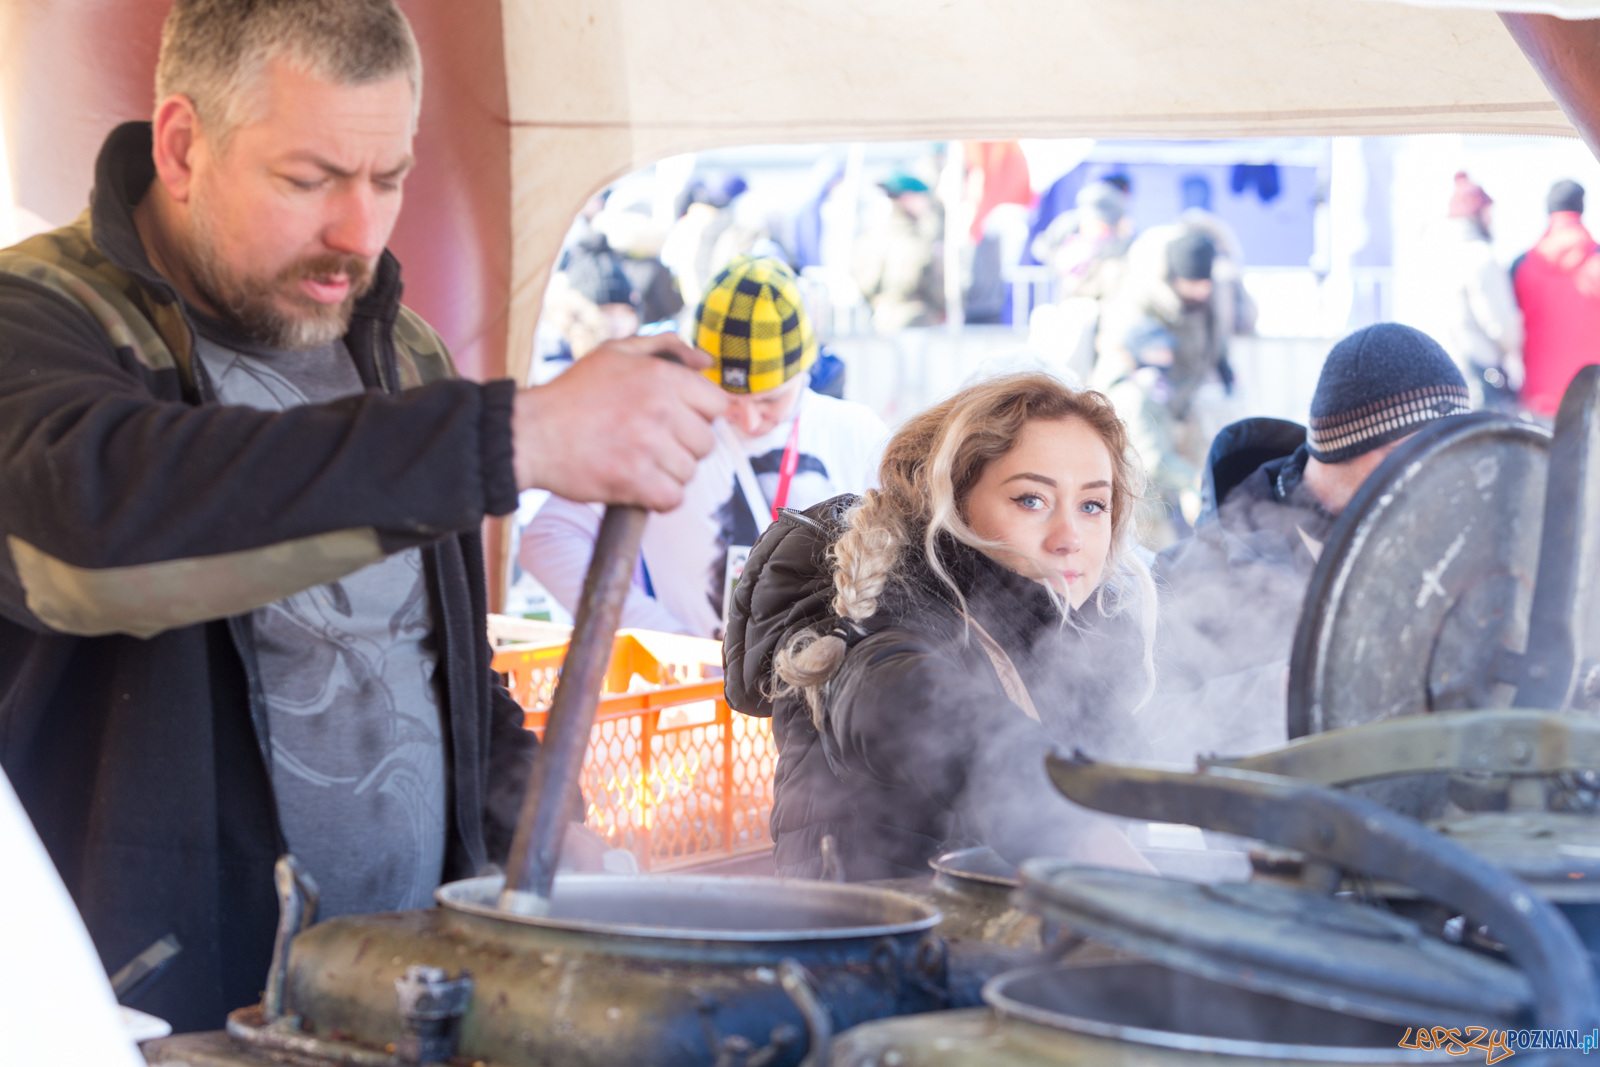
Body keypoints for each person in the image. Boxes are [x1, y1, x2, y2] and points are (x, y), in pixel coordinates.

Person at [0, 0, 726, 1032]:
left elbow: (441, 672)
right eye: (309, 179)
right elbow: (91, 531)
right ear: (180, 145)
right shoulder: (39, 319)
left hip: (411, 993)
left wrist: (558, 843)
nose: (358, 231)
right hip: (151, 1012)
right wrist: (510, 439)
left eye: (389, 179)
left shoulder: (401, 352)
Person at [723, 374, 1157, 881]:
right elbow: (902, 696)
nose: (1070, 538)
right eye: (1031, 500)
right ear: (950, 501)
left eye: (1092, 505)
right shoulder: (874, 609)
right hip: (876, 949)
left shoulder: (1073, 629)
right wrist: (1078, 836)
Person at [521, 256, 887, 638]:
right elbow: (548, 539)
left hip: (828, 683)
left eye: (769, 401)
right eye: (727, 397)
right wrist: (661, 636)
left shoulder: (856, 433)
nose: (747, 419)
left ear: (804, 369)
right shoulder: (661, 431)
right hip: (696, 687)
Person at [1152, 324, 1471, 759]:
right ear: (1384, 453)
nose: (1449, 485)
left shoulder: (1451, 548)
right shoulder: (1187, 578)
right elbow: (1141, 736)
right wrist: (1289, 691)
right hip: (1282, 823)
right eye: (1436, 457)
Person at [1092, 224, 1254, 544]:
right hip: (1142, 419)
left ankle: (1214, 548)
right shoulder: (1138, 305)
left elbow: (1214, 339)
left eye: (1204, 284)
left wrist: (1222, 367)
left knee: (1207, 480)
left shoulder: (1204, 304)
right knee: (1146, 506)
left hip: (1179, 408)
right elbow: (1153, 458)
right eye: (1192, 284)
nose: (1200, 292)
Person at [1417, 172, 1524, 411]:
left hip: (1436, 383)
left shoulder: (1429, 256)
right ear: (1476, 213)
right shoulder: (1479, 256)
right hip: (1478, 380)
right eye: (1488, 212)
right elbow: (1500, 327)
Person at [1513, 179, 1600, 418]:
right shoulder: (1596, 259)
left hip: (1538, 399)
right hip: (1591, 396)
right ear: (1582, 209)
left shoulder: (1522, 265)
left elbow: (1506, 328)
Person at [855, 172, 945, 333]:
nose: (926, 204)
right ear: (908, 198)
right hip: (919, 326)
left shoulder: (869, 239)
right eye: (922, 197)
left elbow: (863, 284)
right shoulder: (920, 243)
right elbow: (938, 291)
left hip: (879, 324)